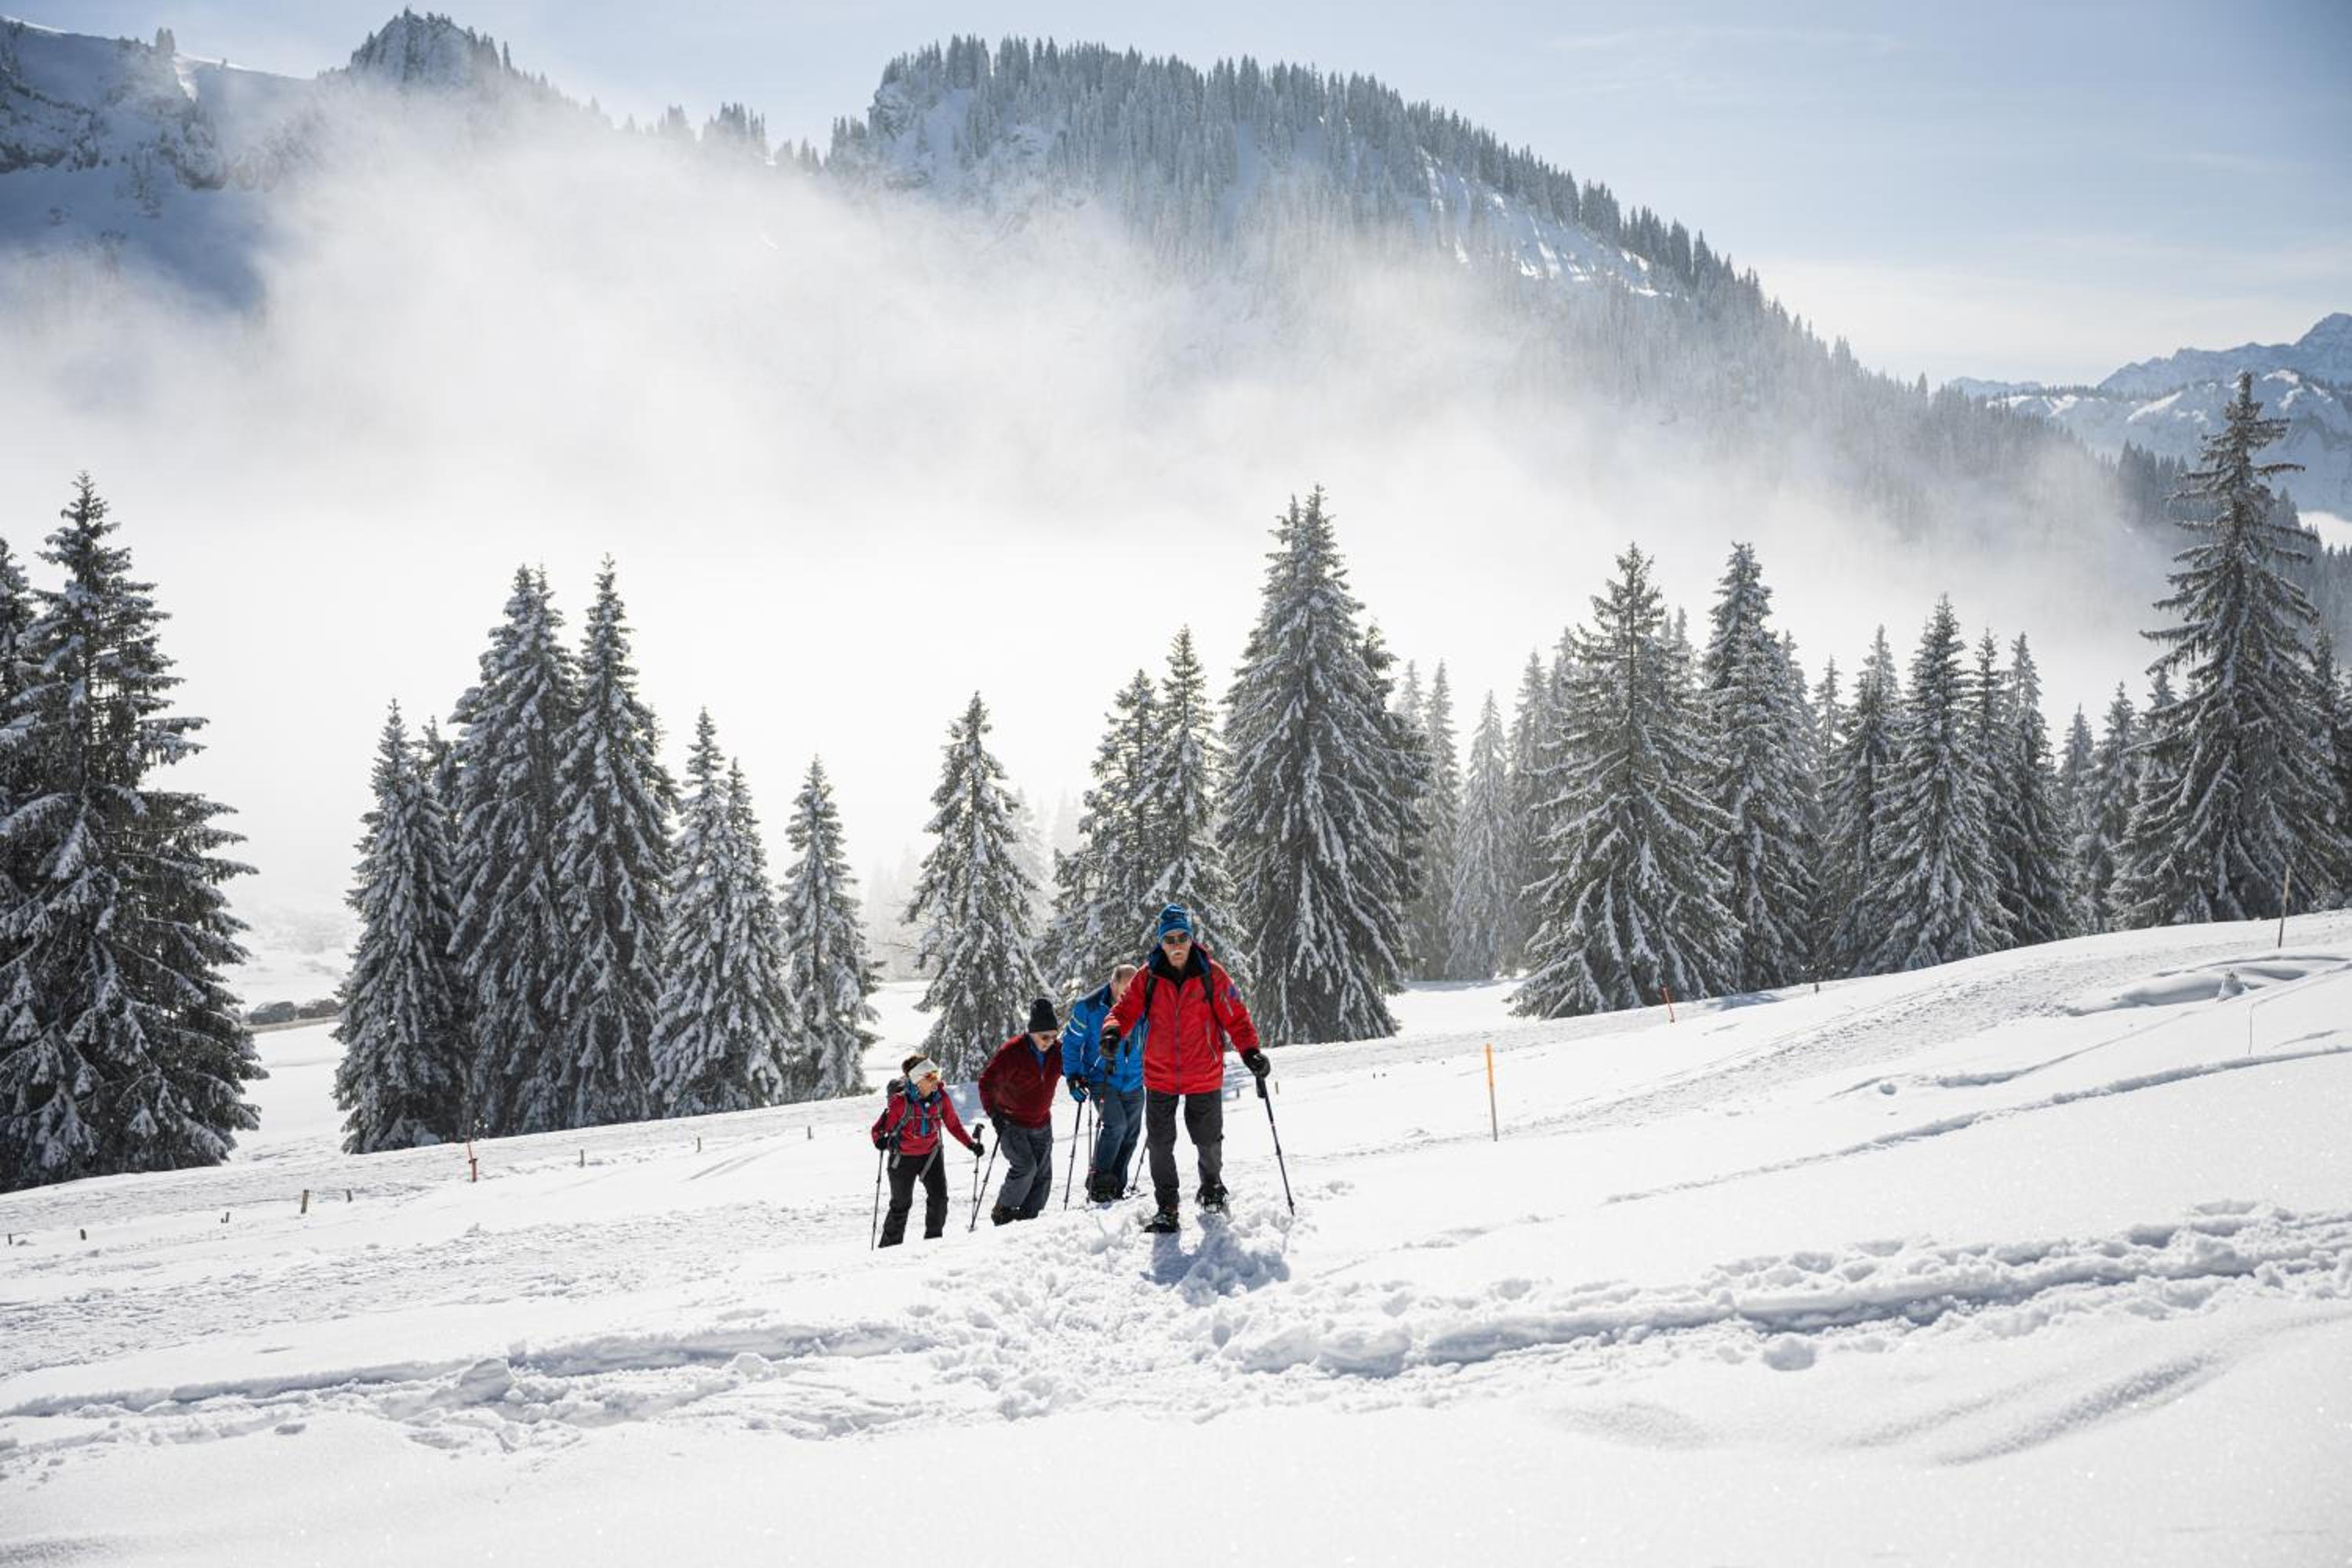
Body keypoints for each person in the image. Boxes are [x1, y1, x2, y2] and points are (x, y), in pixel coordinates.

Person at [1103, 904, 1267, 1232]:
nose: (1176, 945)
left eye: (1182, 938)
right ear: (1161, 942)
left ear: (1191, 938)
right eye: (1170, 939)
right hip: (1160, 1074)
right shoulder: (1148, 977)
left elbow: (1236, 1017)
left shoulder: (1212, 975)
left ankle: (1212, 1187)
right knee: (1160, 1143)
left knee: (1208, 1139)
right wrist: (1112, 1031)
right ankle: (1167, 1206)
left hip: (1204, 1072)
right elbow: (1124, 1010)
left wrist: (1251, 1052)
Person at [870, 1055, 982, 1247]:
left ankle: (932, 1245)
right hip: (902, 1159)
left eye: (936, 1075)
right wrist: (880, 1141)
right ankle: (889, 1251)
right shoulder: (900, 1102)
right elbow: (878, 1130)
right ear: (917, 1079)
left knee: (940, 1199)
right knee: (901, 1205)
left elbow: (953, 1124)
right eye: (930, 1076)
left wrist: (971, 1144)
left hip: (931, 1155)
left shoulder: (941, 1098)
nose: (936, 1080)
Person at [1062, 962, 1145, 1202]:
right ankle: (1099, 1182)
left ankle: (1116, 1186)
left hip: (1134, 1080)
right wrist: (1073, 1076)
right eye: (1125, 990)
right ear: (1113, 984)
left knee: (1131, 1134)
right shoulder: (1088, 1007)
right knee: (1115, 1125)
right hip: (1102, 1077)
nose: (1129, 996)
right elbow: (1071, 1043)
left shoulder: (1144, 1005)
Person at [978, 997, 1062, 1223]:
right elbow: (987, 1083)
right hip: (1012, 1123)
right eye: (1045, 1037)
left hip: (1042, 1123)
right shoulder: (1013, 1052)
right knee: (1026, 1168)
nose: (1050, 1042)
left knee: (1043, 1174)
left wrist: (1078, 1079)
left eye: (1054, 1036)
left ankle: (1029, 1218)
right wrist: (994, 1114)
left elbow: (1073, 1068)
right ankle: (1003, 1210)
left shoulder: (1057, 1051)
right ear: (1032, 1033)